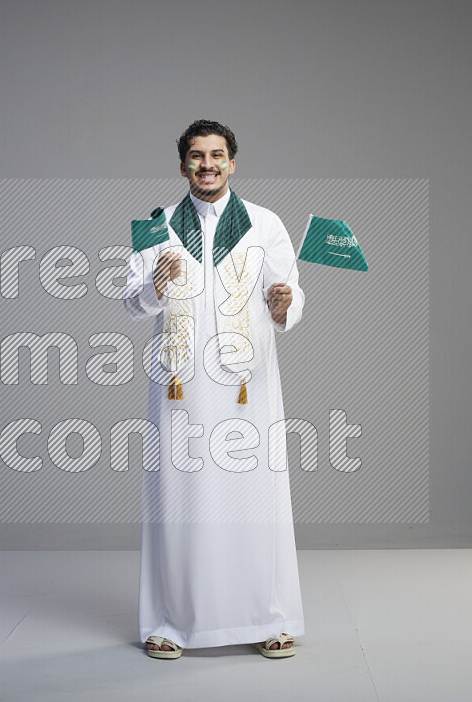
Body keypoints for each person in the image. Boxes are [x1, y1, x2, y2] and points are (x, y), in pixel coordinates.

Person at [123, 120, 305, 659]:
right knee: (178, 499)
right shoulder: (157, 225)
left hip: (248, 386)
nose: (208, 164)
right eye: (197, 156)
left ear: (233, 163)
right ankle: (169, 622)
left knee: (255, 495)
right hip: (179, 385)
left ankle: (267, 617)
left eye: (218, 155)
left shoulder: (265, 224)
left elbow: (290, 293)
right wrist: (154, 288)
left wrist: (282, 306)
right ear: (182, 166)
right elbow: (130, 301)